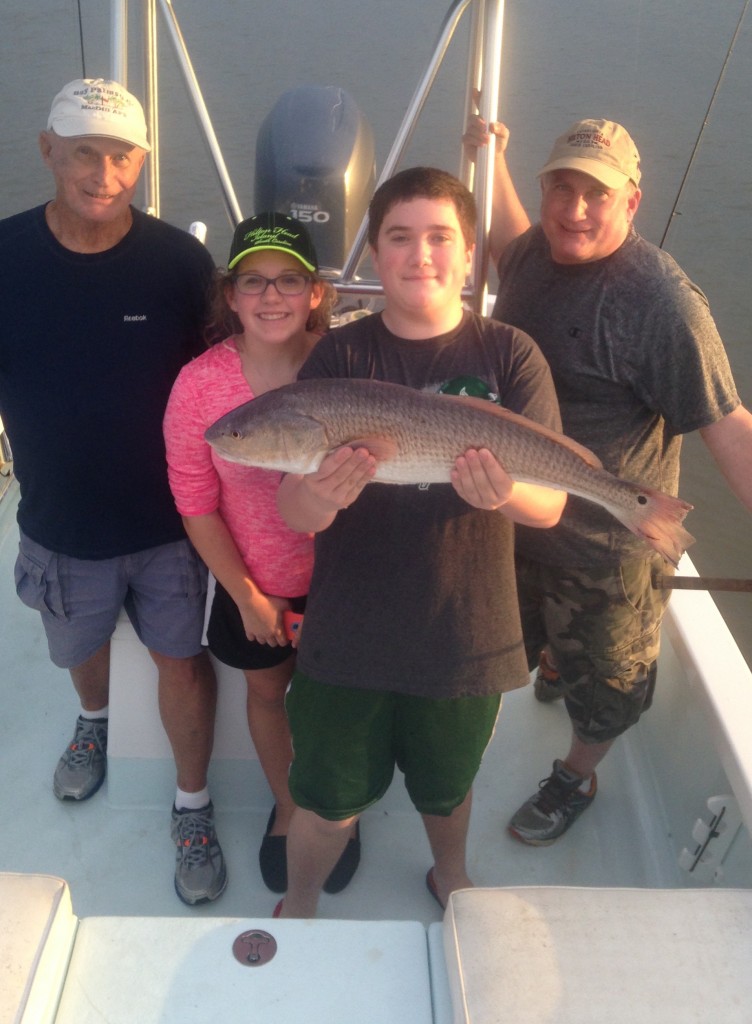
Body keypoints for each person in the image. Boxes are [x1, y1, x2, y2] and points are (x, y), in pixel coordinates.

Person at [272, 166, 567, 918]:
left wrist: (505, 493)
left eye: (441, 237)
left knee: (447, 786)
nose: (421, 255)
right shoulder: (338, 358)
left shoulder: (512, 355)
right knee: (328, 796)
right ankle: (301, 901)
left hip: (465, 631)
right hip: (349, 632)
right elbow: (296, 514)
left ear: (470, 253)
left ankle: (451, 877)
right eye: (400, 237)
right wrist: (318, 492)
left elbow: (550, 506)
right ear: (374, 252)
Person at [467, 115, 752, 844]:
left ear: (632, 202)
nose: (575, 209)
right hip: (520, 520)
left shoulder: (665, 307)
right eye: (561, 187)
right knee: (515, 643)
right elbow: (507, 244)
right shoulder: (536, 252)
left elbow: (728, 427)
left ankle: (576, 775)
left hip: (606, 548)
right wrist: (492, 153)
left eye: (597, 194)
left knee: (610, 691)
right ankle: (553, 663)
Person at [0, 78, 226, 905]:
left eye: (122, 153)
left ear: (143, 162)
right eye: (85, 150)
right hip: (58, 524)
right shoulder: (5, 255)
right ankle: (92, 725)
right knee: (79, 649)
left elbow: (230, 368)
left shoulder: (179, 263)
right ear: (47, 149)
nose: (102, 171)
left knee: (182, 661)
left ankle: (192, 805)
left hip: (171, 522)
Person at [163, 212, 360, 895]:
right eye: (254, 281)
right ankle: (289, 804)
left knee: (338, 700)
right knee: (269, 695)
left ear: (315, 293)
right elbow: (195, 501)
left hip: (349, 584)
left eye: (288, 281)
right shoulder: (198, 387)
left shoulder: (350, 365)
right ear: (230, 294)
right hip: (256, 584)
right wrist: (246, 594)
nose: (271, 296)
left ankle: (335, 811)